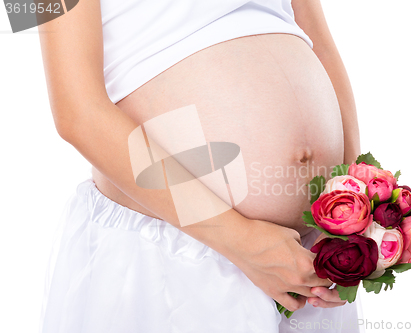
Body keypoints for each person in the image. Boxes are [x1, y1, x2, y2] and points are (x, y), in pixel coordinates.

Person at [38, 0, 364, 332]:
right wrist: (241, 240)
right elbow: (77, 113)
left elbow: (319, 43)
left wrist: (356, 197)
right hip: (177, 257)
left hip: (309, 261)